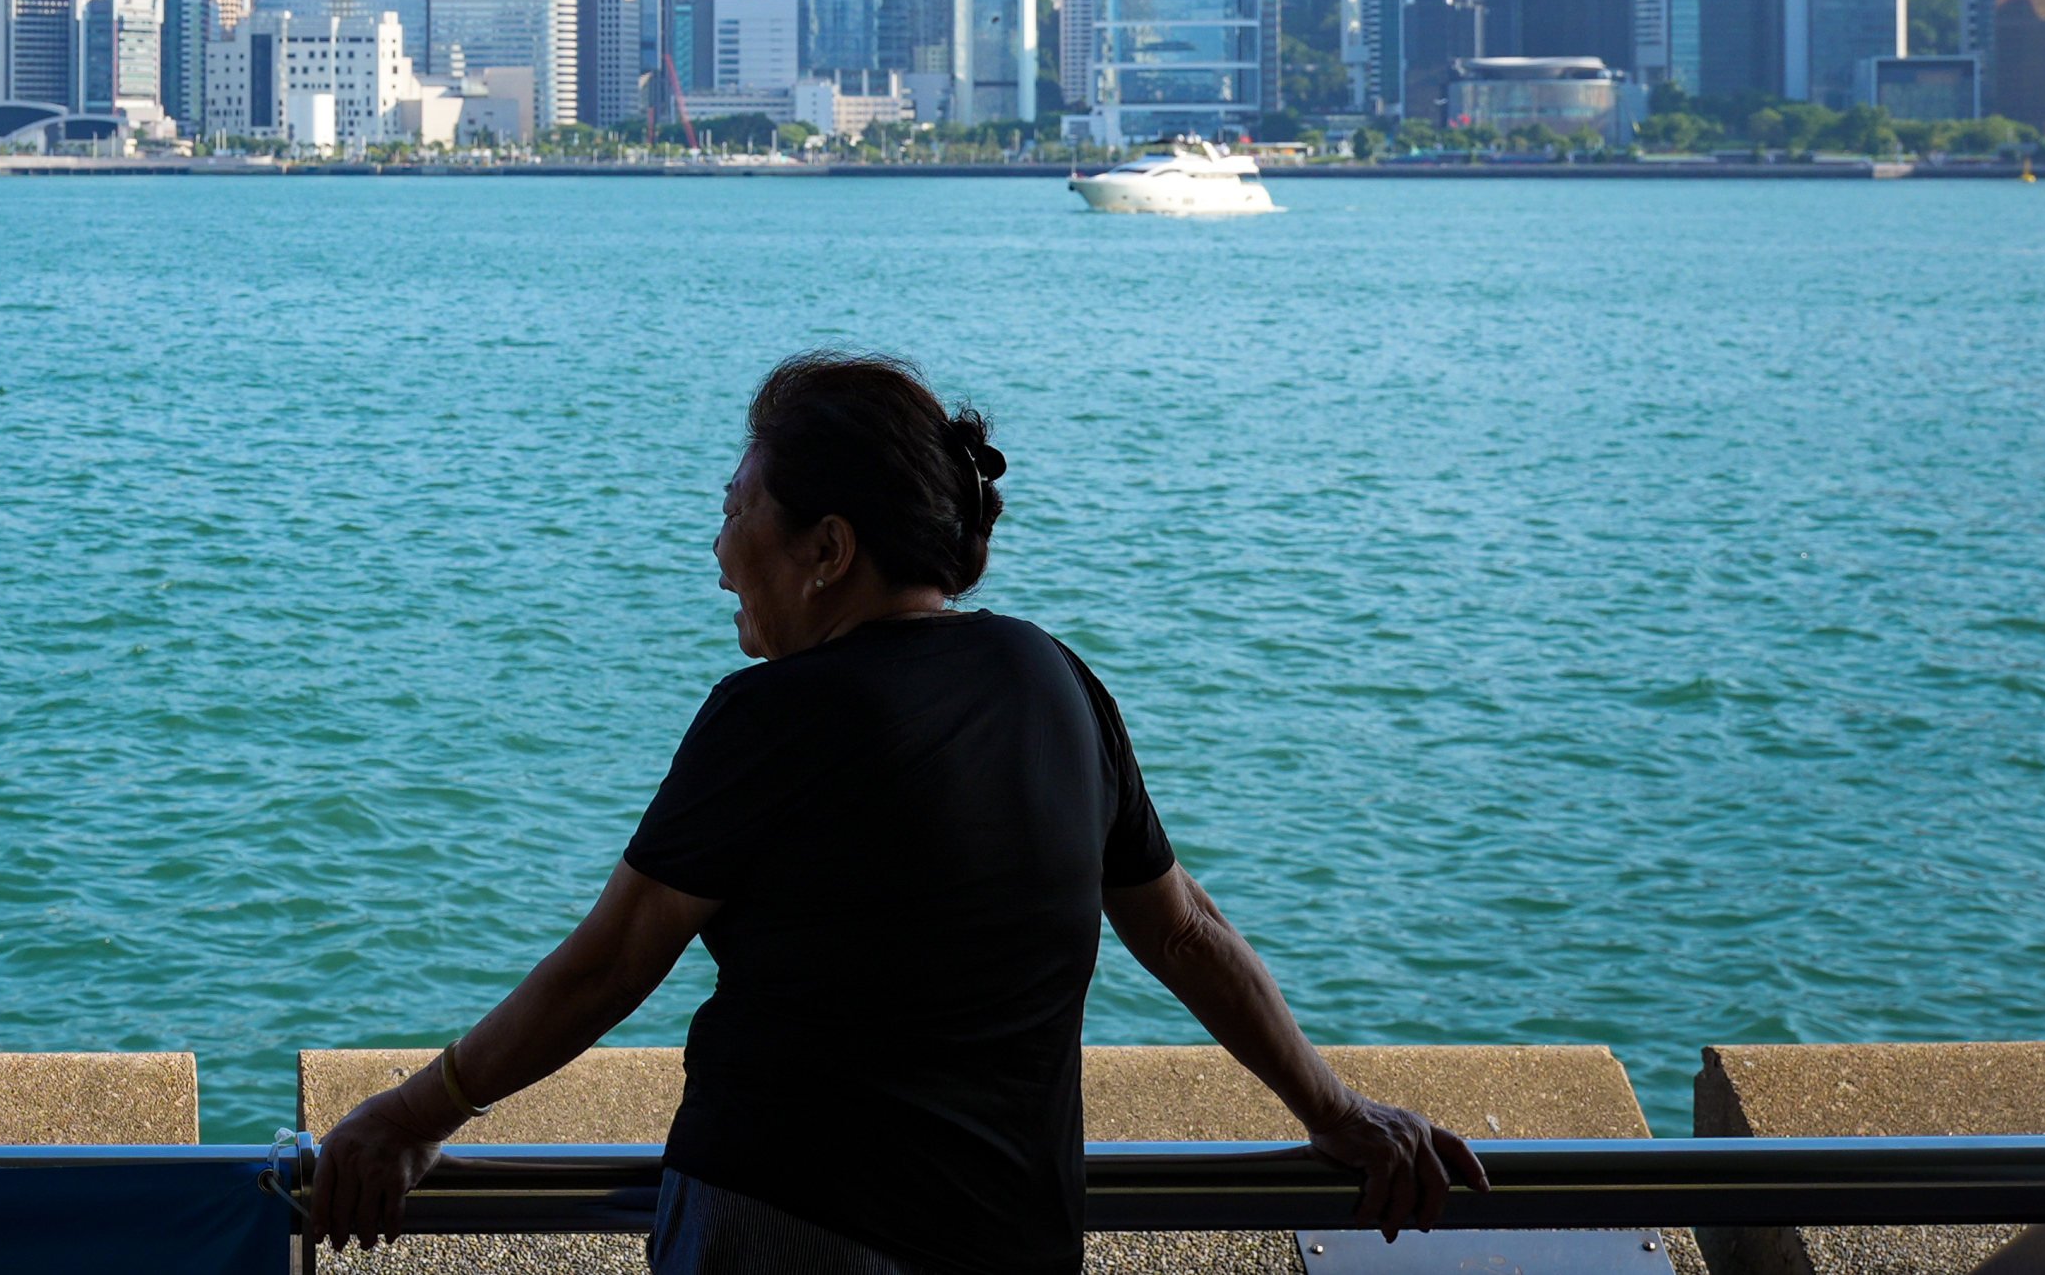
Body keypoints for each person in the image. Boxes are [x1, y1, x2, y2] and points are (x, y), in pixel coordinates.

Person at [310, 352, 1486, 1275]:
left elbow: (612, 960)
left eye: (735, 513)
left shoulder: (778, 713)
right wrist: (1333, 1110)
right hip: (1013, 1234)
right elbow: (1180, 932)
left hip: (787, 1225)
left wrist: (414, 1116)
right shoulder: (1053, 681)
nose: (721, 555)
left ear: (826, 549)